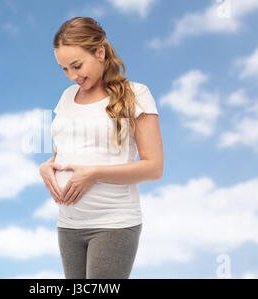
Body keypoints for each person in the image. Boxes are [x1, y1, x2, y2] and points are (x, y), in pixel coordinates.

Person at [39, 17, 164, 279]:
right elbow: (63, 152)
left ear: (99, 52)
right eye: (63, 69)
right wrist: (46, 167)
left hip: (113, 223)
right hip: (68, 223)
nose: (72, 76)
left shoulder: (136, 94)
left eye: (76, 65)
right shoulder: (66, 98)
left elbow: (153, 168)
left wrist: (93, 174)